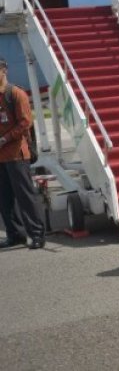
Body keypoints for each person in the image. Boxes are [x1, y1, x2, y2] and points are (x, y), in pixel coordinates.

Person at [0, 57, 46, 250]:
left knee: (25, 196)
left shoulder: (15, 93)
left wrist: (4, 139)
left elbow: (25, 122)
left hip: (17, 154)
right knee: (4, 199)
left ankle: (36, 234)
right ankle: (15, 234)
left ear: (4, 70)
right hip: (1, 157)